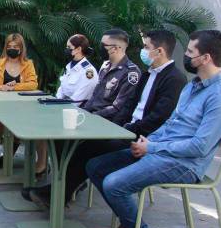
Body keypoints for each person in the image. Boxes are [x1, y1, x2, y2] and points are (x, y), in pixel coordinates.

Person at [86, 30, 221, 228]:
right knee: (96, 167)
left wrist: (152, 148)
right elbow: (171, 124)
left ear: (206, 58)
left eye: (190, 52)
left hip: (185, 164)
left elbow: (199, 147)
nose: (185, 56)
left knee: (114, 183)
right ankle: (129, 226)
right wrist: (148, 141)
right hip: (162, 150)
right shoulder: (193, 86)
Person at [26, 29, 187, 208]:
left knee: (89, 151)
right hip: (124, 128)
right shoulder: (148, 73)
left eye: (146, 47)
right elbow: (128, 106)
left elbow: (158, 117)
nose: (143, 50)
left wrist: (125, 130)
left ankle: (57, 194)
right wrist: (117, 126)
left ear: (159, 51)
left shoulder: (174, 79)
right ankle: (59, 191)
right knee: (72, 144)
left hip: (142, 138)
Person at [0, 33, 38, 169]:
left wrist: (14, 87)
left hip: (22, 105)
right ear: (5, 47)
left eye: (15, 46)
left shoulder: (28, 64)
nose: (12, 49)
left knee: (19, 119)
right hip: (0, 104)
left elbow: (33, 84)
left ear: (21, 48)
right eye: (9, 46)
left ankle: (8, 156)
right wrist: (1, 87)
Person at [56, 34, 98, 103]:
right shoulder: (69, 66)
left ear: (78, 49)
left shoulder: (88, 71)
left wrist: (61, 106)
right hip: (64, 104)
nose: (67, 49)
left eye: (69, 47)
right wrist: (55, 102)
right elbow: (62, 90)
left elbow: (78, 100)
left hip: (77, 108)